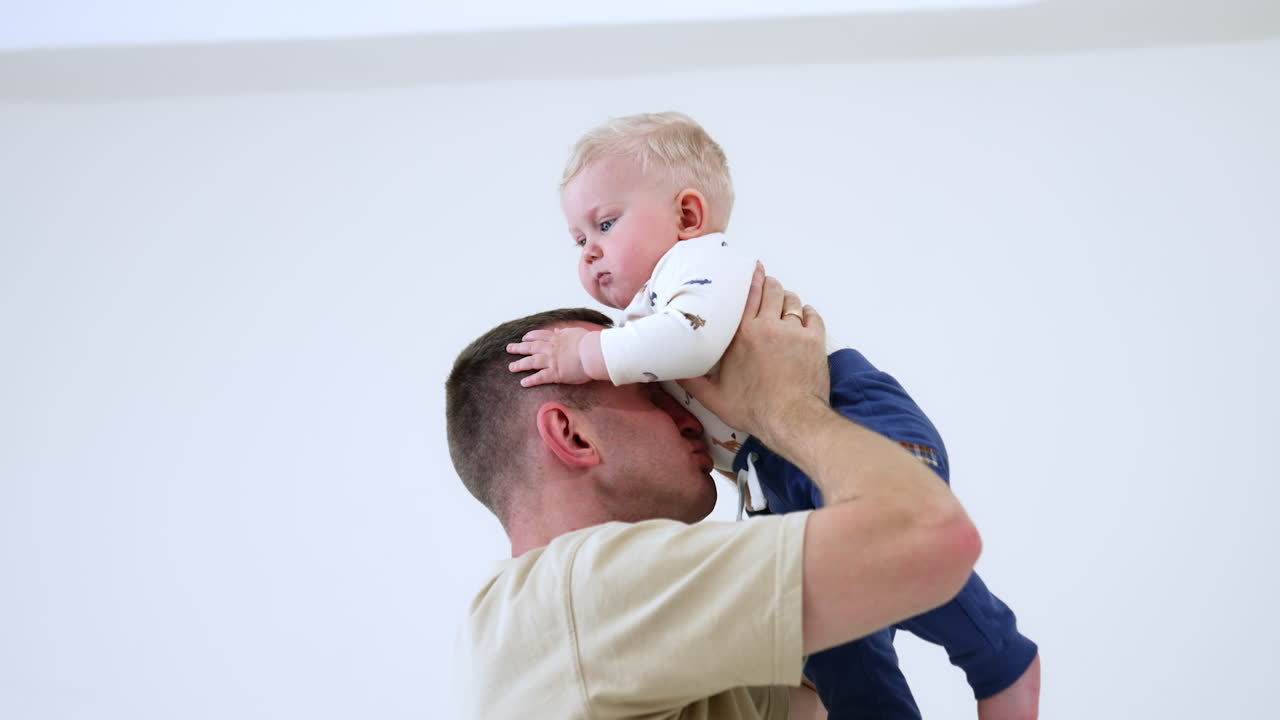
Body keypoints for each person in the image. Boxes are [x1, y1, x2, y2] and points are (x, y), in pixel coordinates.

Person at [505, 112, 1040, 718]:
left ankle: (999, 658)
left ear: (687, 216)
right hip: (774, 465)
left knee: (893, 551)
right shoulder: (641, 320)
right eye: (579, 241)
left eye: (604, 224)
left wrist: (584, 354)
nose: (591, 251)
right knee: (833, 650)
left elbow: (691, 339)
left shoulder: (696, 264)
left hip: (849, 414)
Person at [448, 269, 982, 718]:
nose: (693, 417)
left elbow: (828, 676)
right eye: (654, 393)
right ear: (572, 435)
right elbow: (928, 535)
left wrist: (765, 462)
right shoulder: (583, 590)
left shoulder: (560, 628)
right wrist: (782, 409)